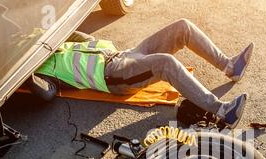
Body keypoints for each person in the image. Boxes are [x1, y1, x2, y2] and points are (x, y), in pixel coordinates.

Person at [28, 19, 254, 128]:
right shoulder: (41, 69)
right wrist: (27, 75)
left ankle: (229, 66)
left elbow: (75, 34)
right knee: (165, 64)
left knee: (182, 27)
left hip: (124, 54)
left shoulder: (50, 40)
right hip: (115, 75)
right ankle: (223, 111)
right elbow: (46, 93)